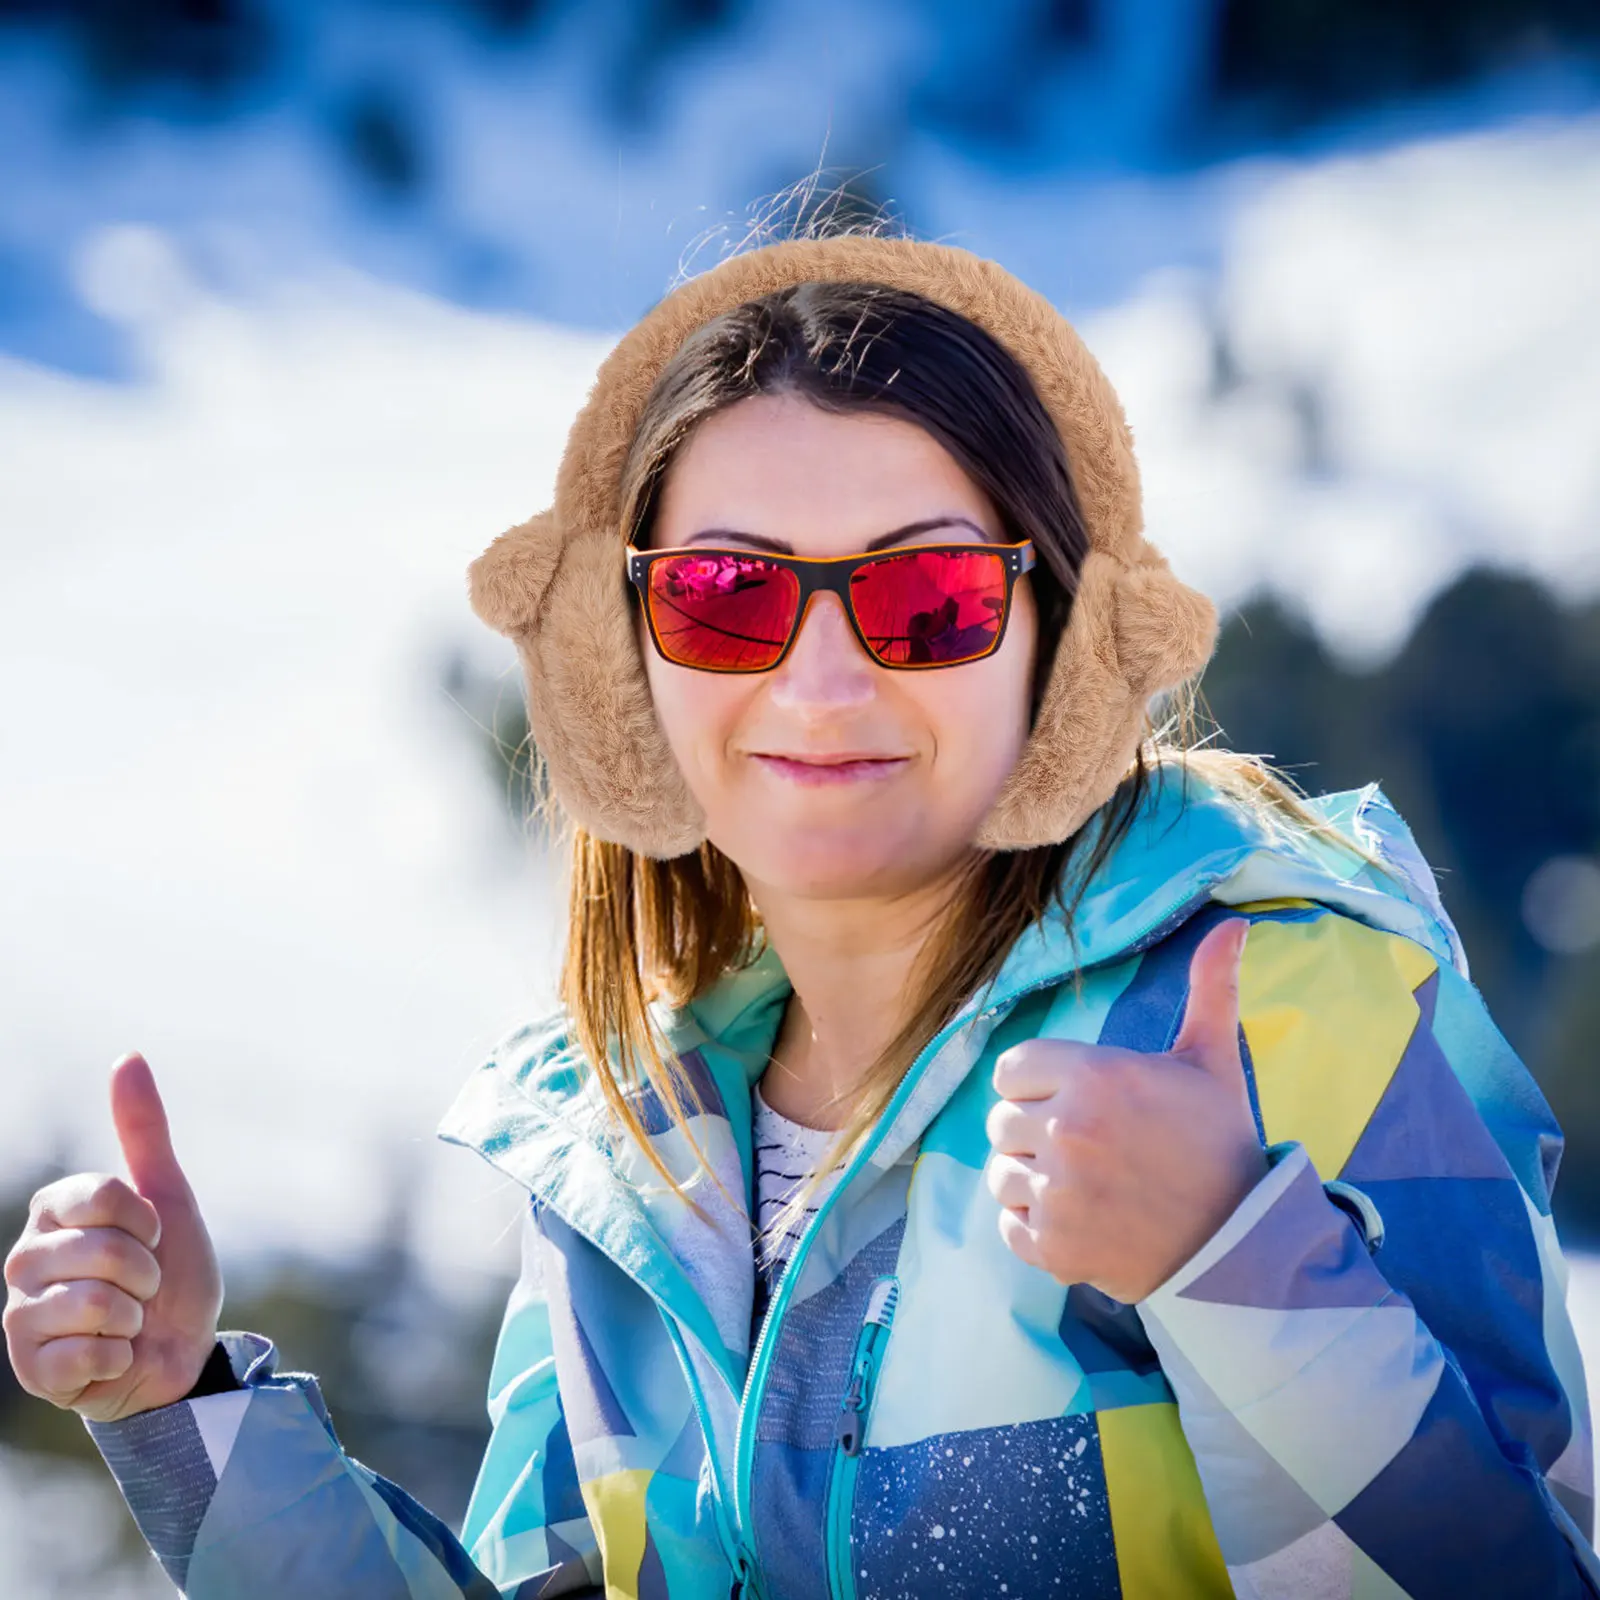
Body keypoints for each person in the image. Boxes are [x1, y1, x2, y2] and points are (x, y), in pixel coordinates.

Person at [4, 229, 1597, 1600]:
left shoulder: (1292, 1001)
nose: (820, 681)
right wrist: (182, 1407)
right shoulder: (626, 1158)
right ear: (620, 664)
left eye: (927, 600)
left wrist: (1230, 1259)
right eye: (727, 596)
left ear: (1056, 637)